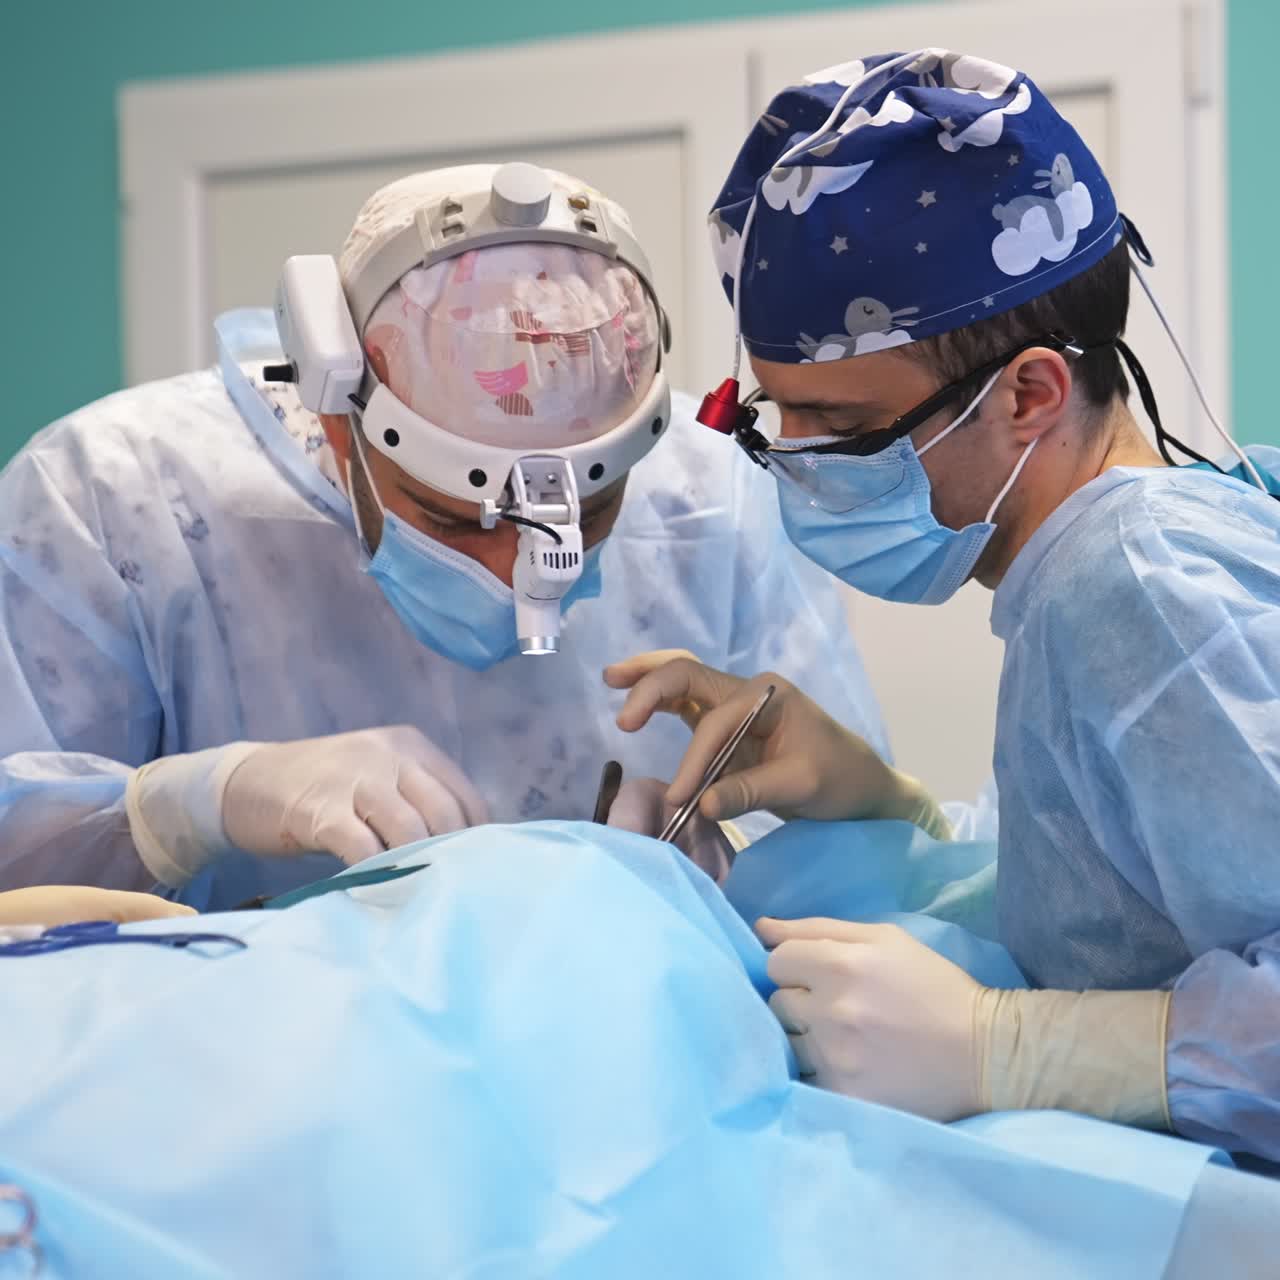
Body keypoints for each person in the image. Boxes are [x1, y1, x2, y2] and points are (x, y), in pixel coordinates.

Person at [608, 51, 1280, 1165]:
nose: (805, 467)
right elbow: (1135, 903)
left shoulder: (1133, 579)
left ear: (1026, 393)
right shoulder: (1158, 537)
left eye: (843, 427)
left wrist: (1007, 1046)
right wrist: (894, 809)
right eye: (777, 420)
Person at [0, 163, 888, 909]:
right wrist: (187, 807)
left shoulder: (710, 493)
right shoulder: (114, 497)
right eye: (459, 519)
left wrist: (734, 853)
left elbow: (856, 850)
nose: (525, 578)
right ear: (339, 419)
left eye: (592, 512)